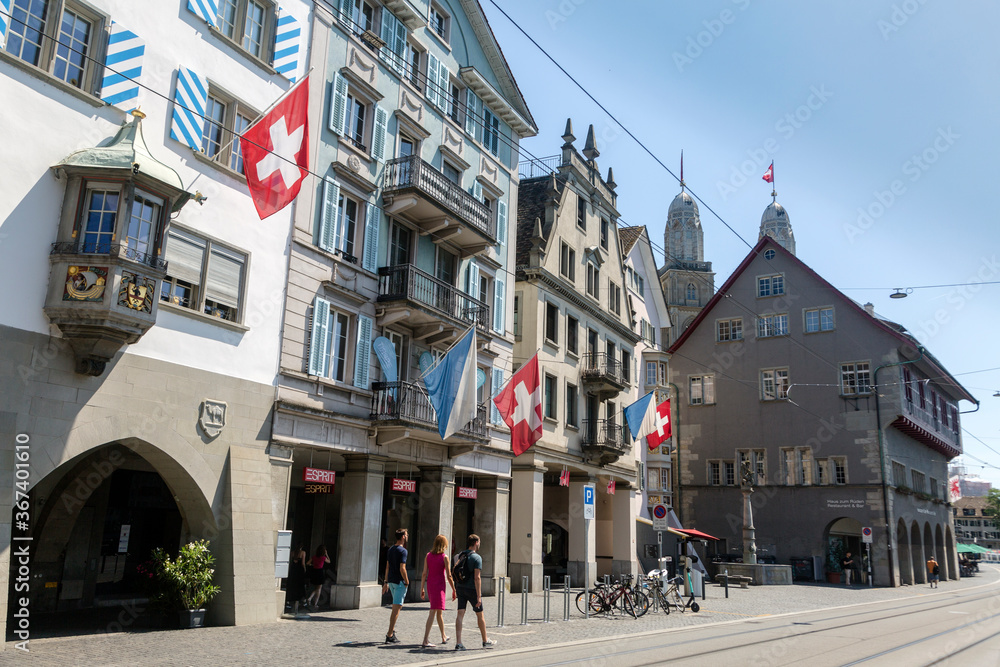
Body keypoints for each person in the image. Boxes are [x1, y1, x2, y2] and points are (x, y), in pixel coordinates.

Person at [454, 534, 495, 650]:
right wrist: (479, 596)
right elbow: (477, 578)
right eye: (479, 542)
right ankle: (485, 640)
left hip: (460, 588)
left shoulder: (461, 555)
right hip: (472, 589)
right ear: (476, 542)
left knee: (460, 614)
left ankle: (459, 643)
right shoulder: (477, 558)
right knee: (480, 615)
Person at [420, 534, 456, 648]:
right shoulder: (444, 557)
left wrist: (422, 588)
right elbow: (449, 576)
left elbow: (424, 573)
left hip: (431, 585)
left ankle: (443, 635)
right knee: (433, 611)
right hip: (439, 587)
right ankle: (425, 640)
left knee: (439, 611)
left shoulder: (428, 556)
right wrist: (454, 590)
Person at [382, 529, 409, 643]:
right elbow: (402, 568)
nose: (407, 536)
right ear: (403, 536)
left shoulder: (391, 549)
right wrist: (407, 581)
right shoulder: (403, 551)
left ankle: (392, 631)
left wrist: (386, 581)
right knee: (396, 609)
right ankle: (389, 635)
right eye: (406, 535)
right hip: (399, 582)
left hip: (392, 581)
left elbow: (387, 567)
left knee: (396, 607)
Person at [287, 544, 308, 617]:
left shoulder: (292, 553)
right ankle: (301, 599)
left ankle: (290, 601)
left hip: (293, 570)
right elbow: (303, 563)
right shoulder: (303, 553)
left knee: (293, 584)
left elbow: (290, 562)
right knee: (300, 585)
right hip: (299, 570)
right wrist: (305, 570)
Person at [307, 544, 330, 610]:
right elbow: (329, 561)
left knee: (316, 587)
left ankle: (315, 603)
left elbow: (308, 563)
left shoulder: (314, 557)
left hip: (314, 571)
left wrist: (313, 564)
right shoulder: (323, 558)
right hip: (320, 572)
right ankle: (312, 600)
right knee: (319, 588)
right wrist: (326, 554)